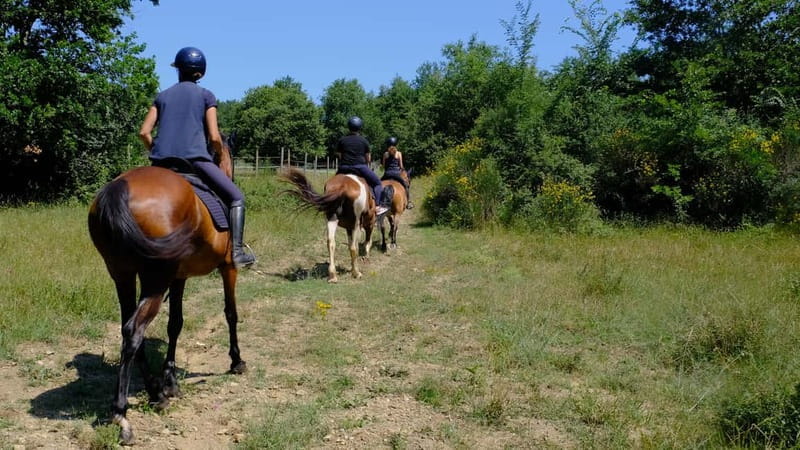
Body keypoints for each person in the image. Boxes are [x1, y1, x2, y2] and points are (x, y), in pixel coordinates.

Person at [138, 46, 256, 268]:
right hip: (195, 162)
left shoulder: (162, 96)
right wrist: (220, 154)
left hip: (161, 164)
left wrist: (157, 149)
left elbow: (143, 132)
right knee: (237, 197)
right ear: (200, 73)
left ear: (178, 70)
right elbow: (213, 137)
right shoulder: (206, 96)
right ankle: (237, 253)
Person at [335, 116, 390, 215]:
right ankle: (377, 206)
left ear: (349, 127)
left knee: (333, 184)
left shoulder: (342, 140)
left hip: (344, 167)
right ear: (360, 127)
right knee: (377, 183)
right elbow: (368, 158)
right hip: (360, 167)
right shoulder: (364, 141)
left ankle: (329, 205)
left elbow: (339, 156)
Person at [381, 136, 413, 209]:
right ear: (396, 144)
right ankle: (408, 202)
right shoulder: (398, 153)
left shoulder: (385, 154)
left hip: (387, 174)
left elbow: (383, 166)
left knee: (378, 185)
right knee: (405, 186)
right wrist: (403, 170)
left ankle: (377, 202)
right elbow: (401, 166)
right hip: (397, 174)